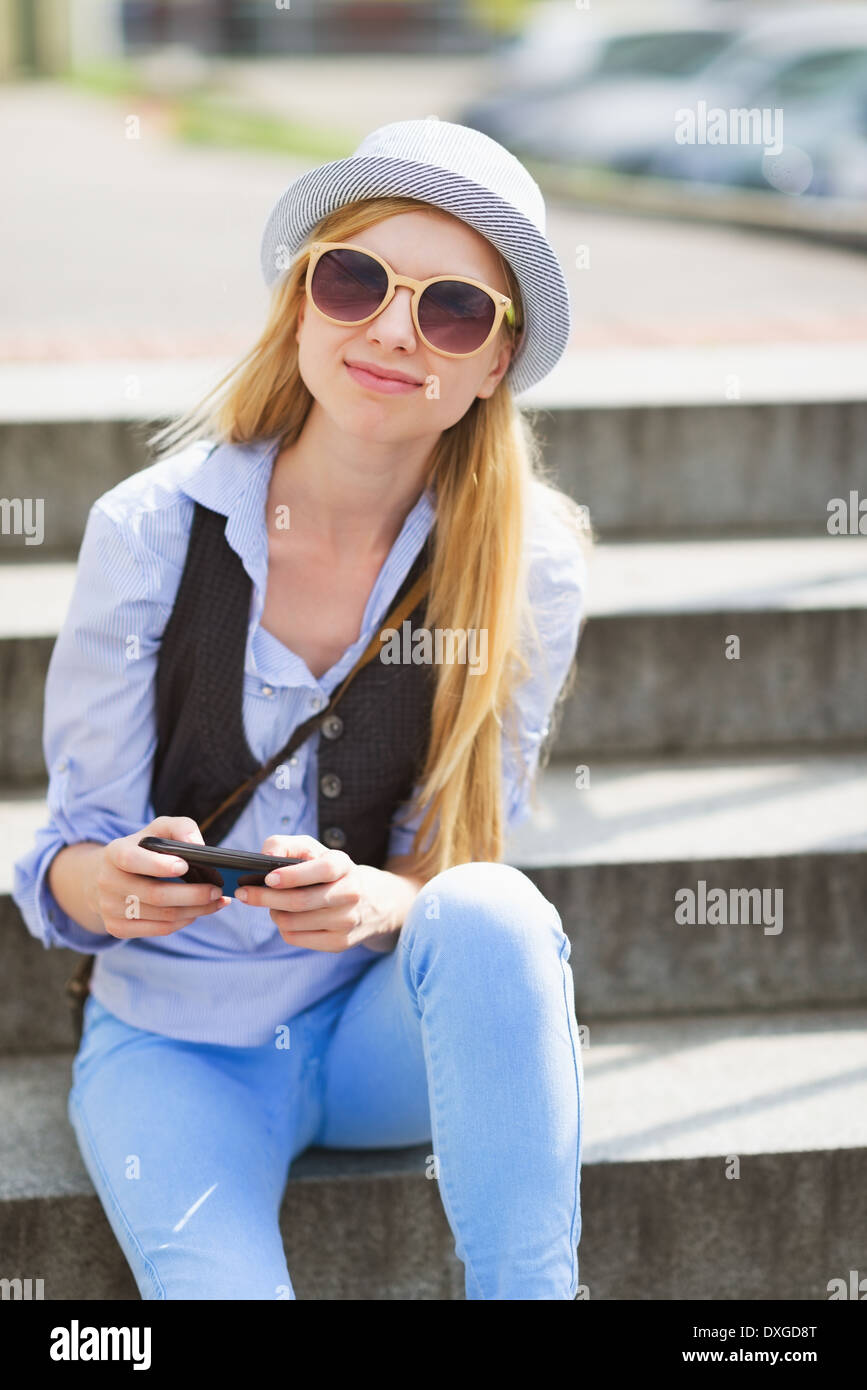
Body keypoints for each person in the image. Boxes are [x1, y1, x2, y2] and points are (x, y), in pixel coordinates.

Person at [13, 118, 592, 1300]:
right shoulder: (150, 530)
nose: (391, 328)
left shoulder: (528, 563)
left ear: (495, 362)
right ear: (300, 302)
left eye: (452, 310)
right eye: (355, 279)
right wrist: (117, 880)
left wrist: (387, 899)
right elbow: (63, 860)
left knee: (494, 909)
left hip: (387, 1041)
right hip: (176, 1042)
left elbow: (454, 874)